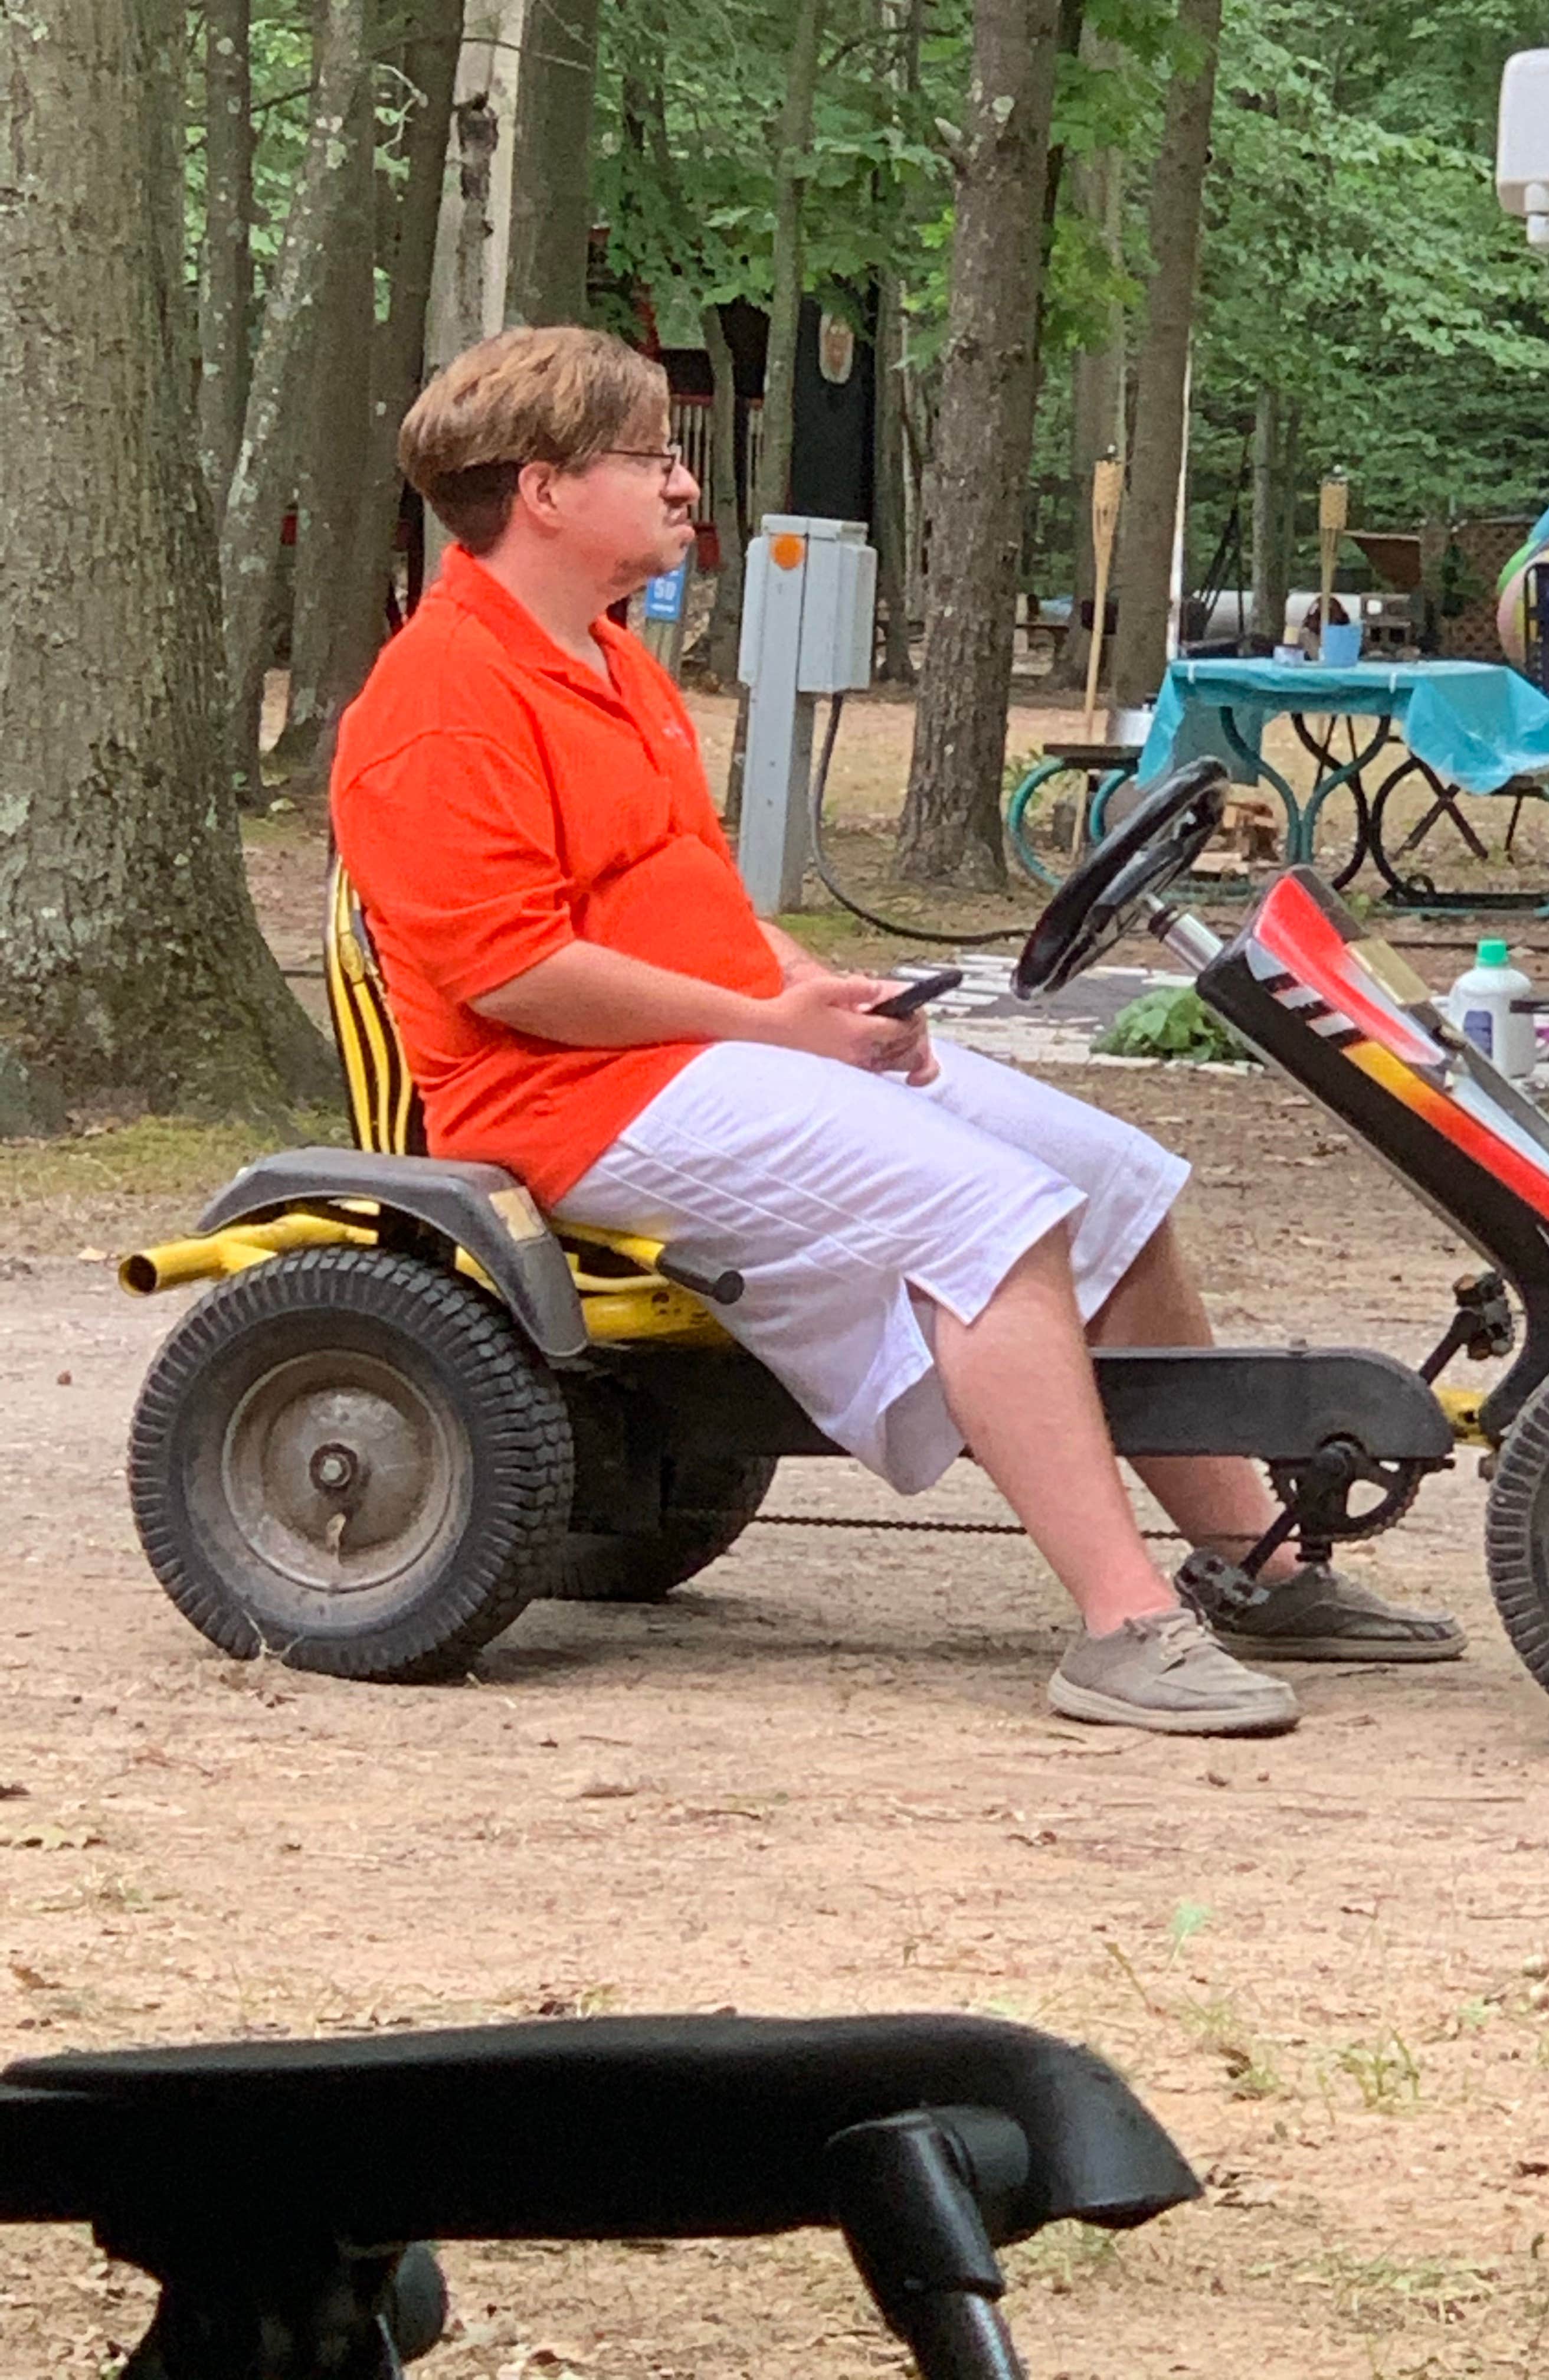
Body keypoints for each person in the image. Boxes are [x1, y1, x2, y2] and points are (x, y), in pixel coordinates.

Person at [330, 325, 1465, 1740]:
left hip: (706, 1051)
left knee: (1112, 1177)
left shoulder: (611, 662)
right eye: (651, 459)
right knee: (991, 1212)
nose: (684, 487)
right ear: (545, 491)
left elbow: (694, 910)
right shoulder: (441, 703)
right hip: (568, 1103)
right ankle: (1121, 1627)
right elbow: (516, 976)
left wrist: (834, 1005)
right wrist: (764, 1021)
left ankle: (1261, 1565)